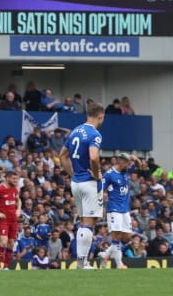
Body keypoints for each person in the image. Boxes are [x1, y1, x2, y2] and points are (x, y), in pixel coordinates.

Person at [59, 102, 106, 269]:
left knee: (82, 221)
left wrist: (72, 174)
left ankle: (81, 261)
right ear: (101, 116)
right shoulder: (95, 134)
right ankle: (82, 262)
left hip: (76, 182)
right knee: (88, 222)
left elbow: (62, 155)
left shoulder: (75, 131)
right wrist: (96, 172)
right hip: (89, 183)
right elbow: (94, 157)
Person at [99, 153, 141, 269]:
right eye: (127, 164)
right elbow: (100, 189)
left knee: (127, 238)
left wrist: (135, 158)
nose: (129, 166)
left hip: (125, 210)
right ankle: (119, 264)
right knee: (116, 237)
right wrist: (99, 206)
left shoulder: (125, 170)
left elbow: (139, 165)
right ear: (121, 163)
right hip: (114, 209)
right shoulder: (109, 175)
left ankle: (105, 254)